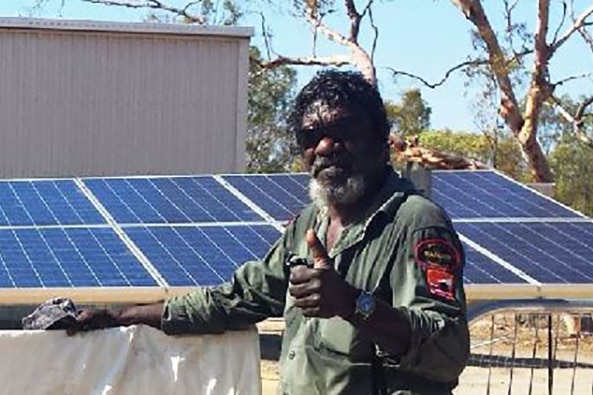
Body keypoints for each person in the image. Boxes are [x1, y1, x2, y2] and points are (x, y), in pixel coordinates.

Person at [70, 69, 470, 394]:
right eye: (311, 137)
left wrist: (354, 304)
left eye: (343, 131)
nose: (326, 146)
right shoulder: (309, 223)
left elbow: (448, 349)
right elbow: (237, 298)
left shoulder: (415, 223)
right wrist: (118, 316)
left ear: (381, 143)